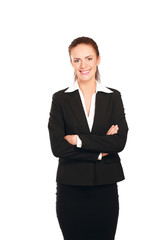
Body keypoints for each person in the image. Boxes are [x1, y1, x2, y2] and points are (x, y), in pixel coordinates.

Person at [48, 36, 128, 240]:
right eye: (77, 60)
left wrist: (78, 140)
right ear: (71, 62)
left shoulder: (113, 97)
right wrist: (100, 152)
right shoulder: (60, 99)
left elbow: (119, 142)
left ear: (98, 60)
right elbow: (58, 147)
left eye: (89, 58)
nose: (83, 65)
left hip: (105, 187)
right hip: (71, 189)